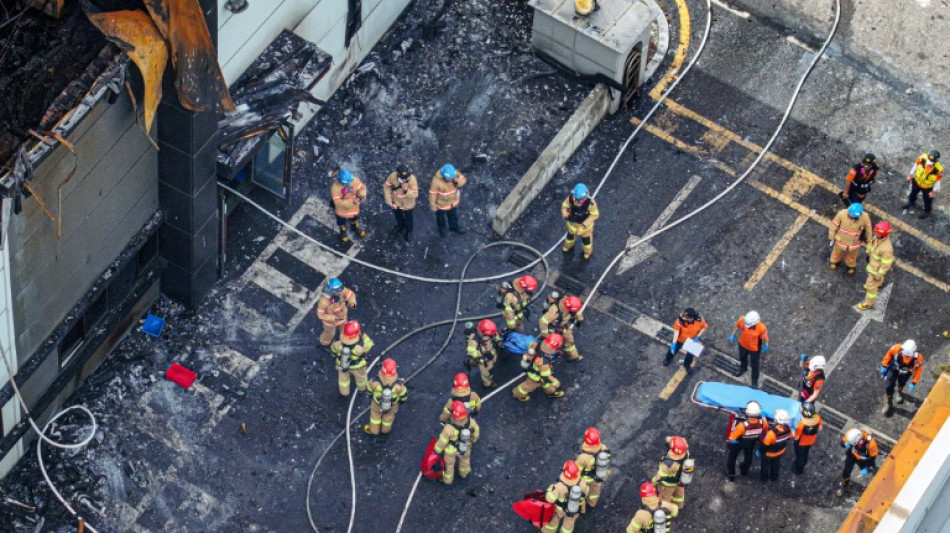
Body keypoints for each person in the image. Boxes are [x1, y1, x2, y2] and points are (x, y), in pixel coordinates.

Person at [433, 401, 480, 484]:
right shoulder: (471, 422)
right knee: (465, 460)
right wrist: (473, 441)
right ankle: (464, 473)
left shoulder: (448, 428)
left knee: (449, 466)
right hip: (465, 447)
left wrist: (436, 451)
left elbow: (442, 442)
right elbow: (476, 432)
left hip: (450, 451)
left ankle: (447, 480)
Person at [513, 334, 565, 401]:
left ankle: (551, 392)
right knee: (527, 386)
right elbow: (546, 377)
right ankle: (517, 395)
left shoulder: (537, 344)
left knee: (546, 384)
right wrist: (556, 383)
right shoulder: (544, 362)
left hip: (534, 369)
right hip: (535, 377)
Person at [542, 461, 589, 533]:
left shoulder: (559, 487)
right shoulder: (582, 483)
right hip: (573, 508)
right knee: (568, 525)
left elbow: (549, 499)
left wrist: (550, 489)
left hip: (559, 510)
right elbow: (586, 493)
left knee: (552, 522)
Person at [364, 358, 408, 435]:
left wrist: (370, 395)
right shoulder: (398, 386)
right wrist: (403, 400)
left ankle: (374, 431)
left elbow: (369, 390)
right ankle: (385, 430)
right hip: (392, 405)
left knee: (375, 416)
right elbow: (403, 395)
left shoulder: (375, 383)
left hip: (377, 404)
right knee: (388, 418)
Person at [725, 401, 767, 482]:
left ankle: (731, 474)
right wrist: (764, 416)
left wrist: (732, 442)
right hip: (750, 443)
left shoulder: (742, 426)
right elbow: (764, 432)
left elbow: (731, 438)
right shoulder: (763, 423)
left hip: (739, 443)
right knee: (748, 458)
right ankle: (744, 470)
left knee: (732, 458)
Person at [330, 320, 373, 397]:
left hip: (342, 364)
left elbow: (333, 350)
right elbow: (369, 345)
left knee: (343, 380)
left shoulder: (337, 344)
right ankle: (362, 389)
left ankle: (344, 392)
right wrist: (363, 335)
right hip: (357, 367)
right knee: (361, 378)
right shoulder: (359, 349)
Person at [880, 340, 924, 415]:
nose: (906, 357)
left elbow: (918, 370)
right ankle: (889, 403)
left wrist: (914, 382)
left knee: (902, 383)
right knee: (888, 386)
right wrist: (884, 365)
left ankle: (899, 392)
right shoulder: (896, 348)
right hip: (894, 368)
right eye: (905, 355)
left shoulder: (918, 358)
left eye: (908, 356)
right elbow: (888, 355)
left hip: (906, 372)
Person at [858, 221, 894, 310]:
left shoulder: (887, 249)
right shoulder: (877, 238)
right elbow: (871, 244)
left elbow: (886, 265)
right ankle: (879, 283)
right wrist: (868, 251)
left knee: (871, 289)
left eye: (877, 232)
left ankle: (869, 303)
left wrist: (878, 275)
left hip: (875, 271)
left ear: (883, 234)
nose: (875, 233)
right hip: (873, 266)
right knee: (875, 281)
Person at [829, 202, 873, 275]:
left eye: (852, 216)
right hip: (841, 240)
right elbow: (833, 226)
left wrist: (869, 242)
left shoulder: (865, 217)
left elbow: (869, 230)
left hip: (854, 243)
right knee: (836, 253)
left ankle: (850, 266)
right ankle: (834, 261)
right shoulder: (841, 214)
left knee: (852, 256)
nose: (850, 217)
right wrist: (832, 236)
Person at [539, 295, 585, 362]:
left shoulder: (568, 303)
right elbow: (542, 321)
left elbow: (575, 311)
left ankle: (572, 357)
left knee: (569, 340)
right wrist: (546, 335)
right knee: (549, 346)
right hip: (553, 328)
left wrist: (579, 317)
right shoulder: (554, 312)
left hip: (563, 326)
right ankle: (543, 359)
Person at [729, 311, 769, 388]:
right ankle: (743, 368)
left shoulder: (761, 328)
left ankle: (754, 380)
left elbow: (765, 337)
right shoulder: (742, 320)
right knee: (742, 357)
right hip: (743, 344)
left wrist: (766, 344)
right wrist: (733, 334)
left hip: (754, 348)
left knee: (755, 364)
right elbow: (737, 326)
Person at [835, 428, 879, 497]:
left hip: (863, 459)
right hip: (852, 454)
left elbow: (872, 457)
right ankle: (844, 486)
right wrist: (845, 444)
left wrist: (868, 468)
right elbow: (842, 442)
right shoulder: (852, 434)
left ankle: (877, 473)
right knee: (846, 472)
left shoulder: (871, 444)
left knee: (872, 468)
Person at [561, 183, 600, 260]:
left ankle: (587, 252)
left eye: (581, 200)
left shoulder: (590, 204)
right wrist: (565, 214)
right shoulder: (570, 199)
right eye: (576, 199)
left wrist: (584, 225)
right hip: (572, 225)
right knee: (569, 239)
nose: (578, 202)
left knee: (587, 243)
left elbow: (594, 214)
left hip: (585, 229)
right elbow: (564, 206)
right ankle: (568, 246)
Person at [652, 436, 691, 510]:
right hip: (680, 481)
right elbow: (682, 443)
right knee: (679, 495)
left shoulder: (668, 464)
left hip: (668, 485)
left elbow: (660, 476)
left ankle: (665, 511)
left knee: (664, 498)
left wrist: (653, 481)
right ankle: (679, 506)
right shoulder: (686, 453)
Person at [315, 278, 357, 346]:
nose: (341, 291)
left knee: (344, 330)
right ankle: (324, 342)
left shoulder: (341, 291)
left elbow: (350, 295)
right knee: (329, 333)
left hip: (342, 317)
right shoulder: (324, 301)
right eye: (338, 290)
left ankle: (345, 340)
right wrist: (333, 318)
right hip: (330, 323)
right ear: (331, 291)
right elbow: (320, 315)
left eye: (340, 288)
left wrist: (352, 302)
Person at [575, 427, 610, 508]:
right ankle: (592, 503)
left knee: (582, 492)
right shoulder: (603, 447)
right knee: (594, 493)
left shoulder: (583, 457)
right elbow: (607, 458)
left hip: (586, 479)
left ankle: (581, 506)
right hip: (598, 477)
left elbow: (577, 471)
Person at [382, 164, 418, 242]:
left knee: (409, 218)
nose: (405, 180)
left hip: (408, 204)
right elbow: (386, 187)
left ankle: (409, 231)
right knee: (398, 216)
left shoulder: (412, 179)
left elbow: (415, 194)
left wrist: (406, 191)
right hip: (396, 202)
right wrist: (389, 201)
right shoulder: (392, 176)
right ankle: (400, 226)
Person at [428, 163, 467, 236]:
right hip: (441, 204)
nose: (452, 179)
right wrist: (433, 205)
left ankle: (454, 227)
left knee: (453, 216)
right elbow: (432, 194)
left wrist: (457, 181)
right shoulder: (436, 181)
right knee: (440, 218)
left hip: (452, 202)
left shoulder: (454, 174)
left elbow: (463, 180)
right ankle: (442, 230)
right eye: (450, 178)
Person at [330, 169, 367, 242]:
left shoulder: (355, 180)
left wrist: (361, 195)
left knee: (354, 219)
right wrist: (352, 202)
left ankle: (355, 228)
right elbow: (338, 203)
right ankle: (343, 232)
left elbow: (362, 188)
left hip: (354, 210)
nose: (349, 184)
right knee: (341, 222)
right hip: (341, 212)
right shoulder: (335, 188)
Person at [903, 150, 943, 219]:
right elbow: (915, 165)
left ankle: (927, 211)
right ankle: (911, 202)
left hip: (927, 187)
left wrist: (934, 191)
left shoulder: (939, 170)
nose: (929, 164)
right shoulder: (922, 158)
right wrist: (910, 174)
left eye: (931, 163)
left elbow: (938, 181)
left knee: (927, 200)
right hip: (917, 181)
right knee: (913, 193)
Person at [759, 409, 792, 483]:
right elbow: (790, 437)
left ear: (776, 420)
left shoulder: (771, 434)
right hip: (780, 451)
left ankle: (764, 479)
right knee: (776, 464)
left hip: (769, 454)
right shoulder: (788, 428)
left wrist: (760, 451)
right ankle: (774, 477)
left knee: (765, 466)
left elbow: (765, 446)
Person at [466, 319, 500, 388]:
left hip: (490, 352)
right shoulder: (474, 340)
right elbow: (471, 352)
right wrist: (483, 358)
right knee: (486, 372)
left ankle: (473, 363)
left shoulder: (489, 333)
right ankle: (487, 383)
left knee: (493, 362)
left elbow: (495, 335)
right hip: (483, 359)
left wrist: (498, 341)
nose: (491, 336)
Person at [792, 402, 823, 475]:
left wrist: (793, 432)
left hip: (801, 443)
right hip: (811, 440)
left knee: (800, 456)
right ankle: (804, 462)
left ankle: (799, 470)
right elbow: (820, 428)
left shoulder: (801, 424)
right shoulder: (817, 417)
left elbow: (796, 437)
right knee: (806, 452)